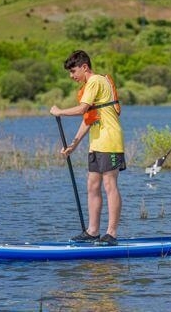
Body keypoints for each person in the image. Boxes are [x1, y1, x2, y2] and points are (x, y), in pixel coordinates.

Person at [50, 50, 126, 246]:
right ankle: (93, 231)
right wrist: (73, 145)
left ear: (85, 67)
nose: (72, 76)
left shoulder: (95, 81)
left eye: (74, 71)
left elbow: (81, 109)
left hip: (110, 140)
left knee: (110, 185)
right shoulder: (90, 86)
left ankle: (111, 233)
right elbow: (88, 118)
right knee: (92, 186)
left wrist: (60, 111)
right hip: (97, 143)